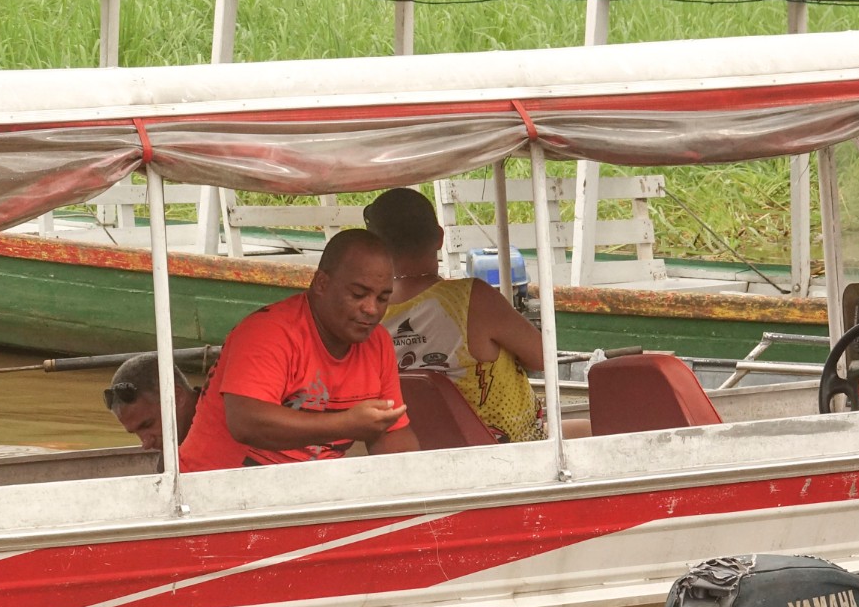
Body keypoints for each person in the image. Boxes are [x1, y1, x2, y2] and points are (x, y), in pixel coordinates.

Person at [178, 228, 418, 472]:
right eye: (358, 294)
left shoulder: (378, 343)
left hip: (310, 495)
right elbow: (246, 422)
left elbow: (393, 440)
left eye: (382, 298)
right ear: (321, 283)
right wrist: (345, 425)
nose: (371, 309)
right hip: (214, 494)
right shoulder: (268, 332)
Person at [363, 186, 588, 442]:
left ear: (377, 247)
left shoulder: (369, 313)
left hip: (419, 449)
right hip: (508, 450)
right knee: (592, 429)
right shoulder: (471, 298)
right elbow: (542, 357)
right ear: (439, 237)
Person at [103, 353, 198, 453]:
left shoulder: (215, 435)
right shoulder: (170, 452)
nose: (147, 444)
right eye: (136, 432)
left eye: (148, 424)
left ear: (177, 397)